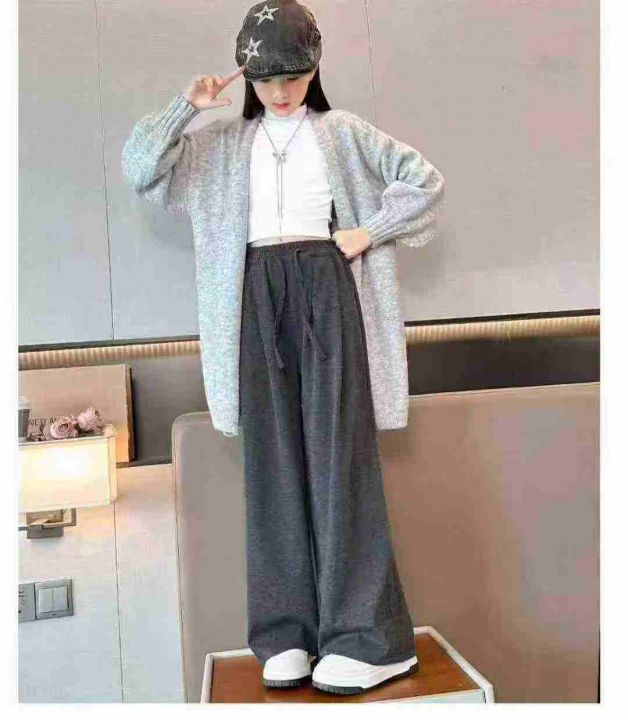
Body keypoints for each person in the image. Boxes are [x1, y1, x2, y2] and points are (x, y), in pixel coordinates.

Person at [122, 0, 445, 696]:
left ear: (314, 68)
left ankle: (370, 639)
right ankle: (285, 634)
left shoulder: (342, 131)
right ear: (247, 76)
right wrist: (185, 107)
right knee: (270, 469)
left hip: (328, 287)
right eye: (266, 78)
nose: (280, 91)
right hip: (251, 297)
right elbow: (141, 168)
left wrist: (369, 231)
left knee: (339, 461)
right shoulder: (219, 145)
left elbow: (424, 182)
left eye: (292, 76)